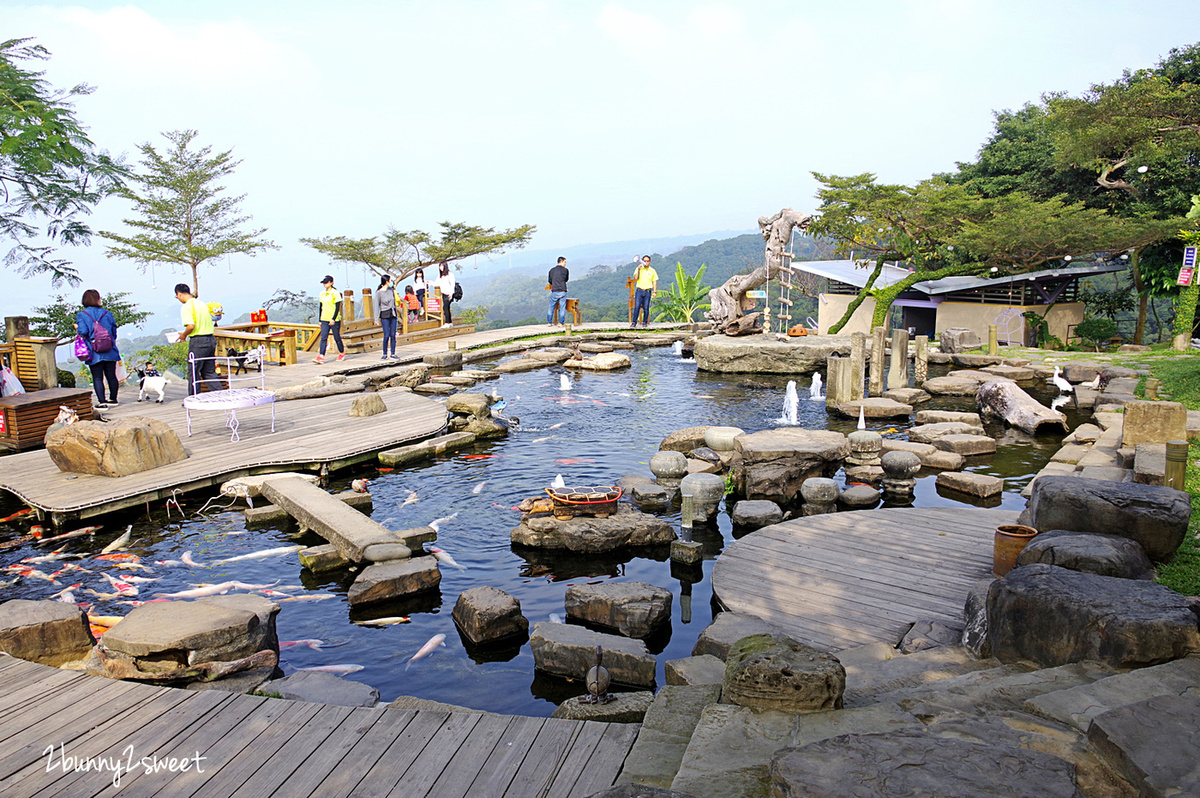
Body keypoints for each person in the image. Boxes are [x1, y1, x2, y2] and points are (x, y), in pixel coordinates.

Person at [77, 289, 121, 408]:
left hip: (94, 351)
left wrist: (77, 328)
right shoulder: (106, 313)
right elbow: (113, 330)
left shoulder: (82, 315)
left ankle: (102, 402)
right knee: (111, 376)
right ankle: (113, 399)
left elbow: (83, 331)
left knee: (97, 377)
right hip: (109, 349)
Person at [174, 283, 218, 396]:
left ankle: (194, 398)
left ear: (179, 294)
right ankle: (221, 394)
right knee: (208, 371)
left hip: (198, 342)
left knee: (193, 371)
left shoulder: (187, 307)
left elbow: (191, 326)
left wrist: (184, 335)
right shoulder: (202, 304)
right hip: (210, 339)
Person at [316, 275, 347, 364]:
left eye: (326, 282)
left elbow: (337, 307)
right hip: (324, 318)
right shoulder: (322, 293)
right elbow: (321, 307)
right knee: (323, 337)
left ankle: (341, 352)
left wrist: (333, 318)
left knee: (336, 337)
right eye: (324, 283)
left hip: (334, 319)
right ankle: (321, 356)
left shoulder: (335, 293)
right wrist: (320, 319)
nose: (325, 284)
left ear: (331, 282)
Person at [375, 274, 398, 360]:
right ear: (386, 281)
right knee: (386, 335)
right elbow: (377, 306)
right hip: (384, 314)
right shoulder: (379, 293)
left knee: (393, 334)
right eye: (390, 280)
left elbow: (394, 303)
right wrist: (376, 319)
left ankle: (393, 353)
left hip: (393, 314)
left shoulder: (391, 290)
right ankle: (384, 353)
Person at [632, 255, 658, 328]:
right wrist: (639, 269)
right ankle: (634, 322)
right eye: (645, 261)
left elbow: (654, 281)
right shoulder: (639, 268)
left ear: (649, 262)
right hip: (639, 290)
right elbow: (636, 278)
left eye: (647, 261)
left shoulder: (652, 270)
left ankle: (645, 322)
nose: (646, 262)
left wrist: (655, 292)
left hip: (648, 291)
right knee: (637, 307)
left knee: (646, 308)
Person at [547, 256, 569, 326]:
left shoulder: (552, 270)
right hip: (562, 290)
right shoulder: (565, 270)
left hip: (554, 290)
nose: (565, 263)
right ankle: (561, 323)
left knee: (551, 307)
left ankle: (549, 322)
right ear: (561, 261)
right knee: (562, 307)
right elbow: (566, 279)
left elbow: (550, 281)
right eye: (565, 262)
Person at [436, 261, 456, 327]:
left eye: (442, 266)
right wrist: (429, 282)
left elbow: (452, 284)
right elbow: (436, 283)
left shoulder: (450, 274)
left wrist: (451, 293)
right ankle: (449, 322)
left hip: (449, 293)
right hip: (444, 293)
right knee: (446, 307)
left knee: (445, 307)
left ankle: (447, 322)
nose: (440, 267)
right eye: (440, 266)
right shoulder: (440, 275)